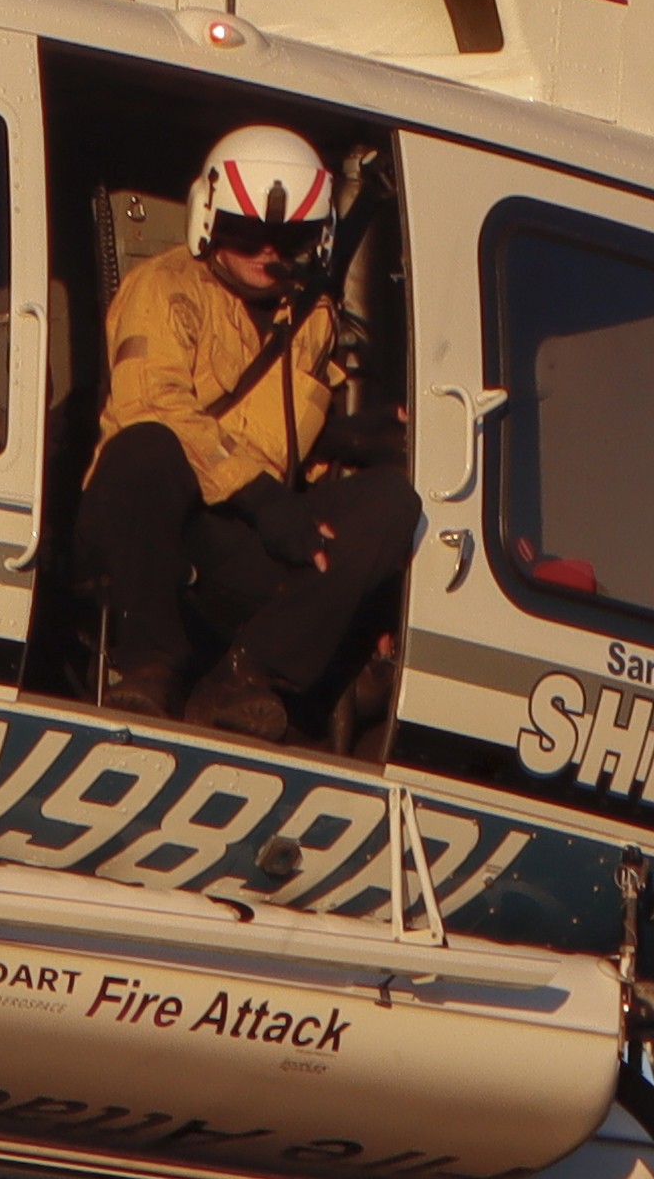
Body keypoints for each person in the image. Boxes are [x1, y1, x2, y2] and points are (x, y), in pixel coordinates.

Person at [78, 122, 411, 740]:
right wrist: (266, 500)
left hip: (243, 529)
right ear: (210, 220)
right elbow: (155, 406)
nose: (268, 254)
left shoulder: (313, 319)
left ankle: (249, 676)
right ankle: (147, 668)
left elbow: (284, 445)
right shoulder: (165, 286)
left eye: (290, 238)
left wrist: (353, 438)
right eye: (245, 233)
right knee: (146, 449)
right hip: (157, 522)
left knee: (392, 504)